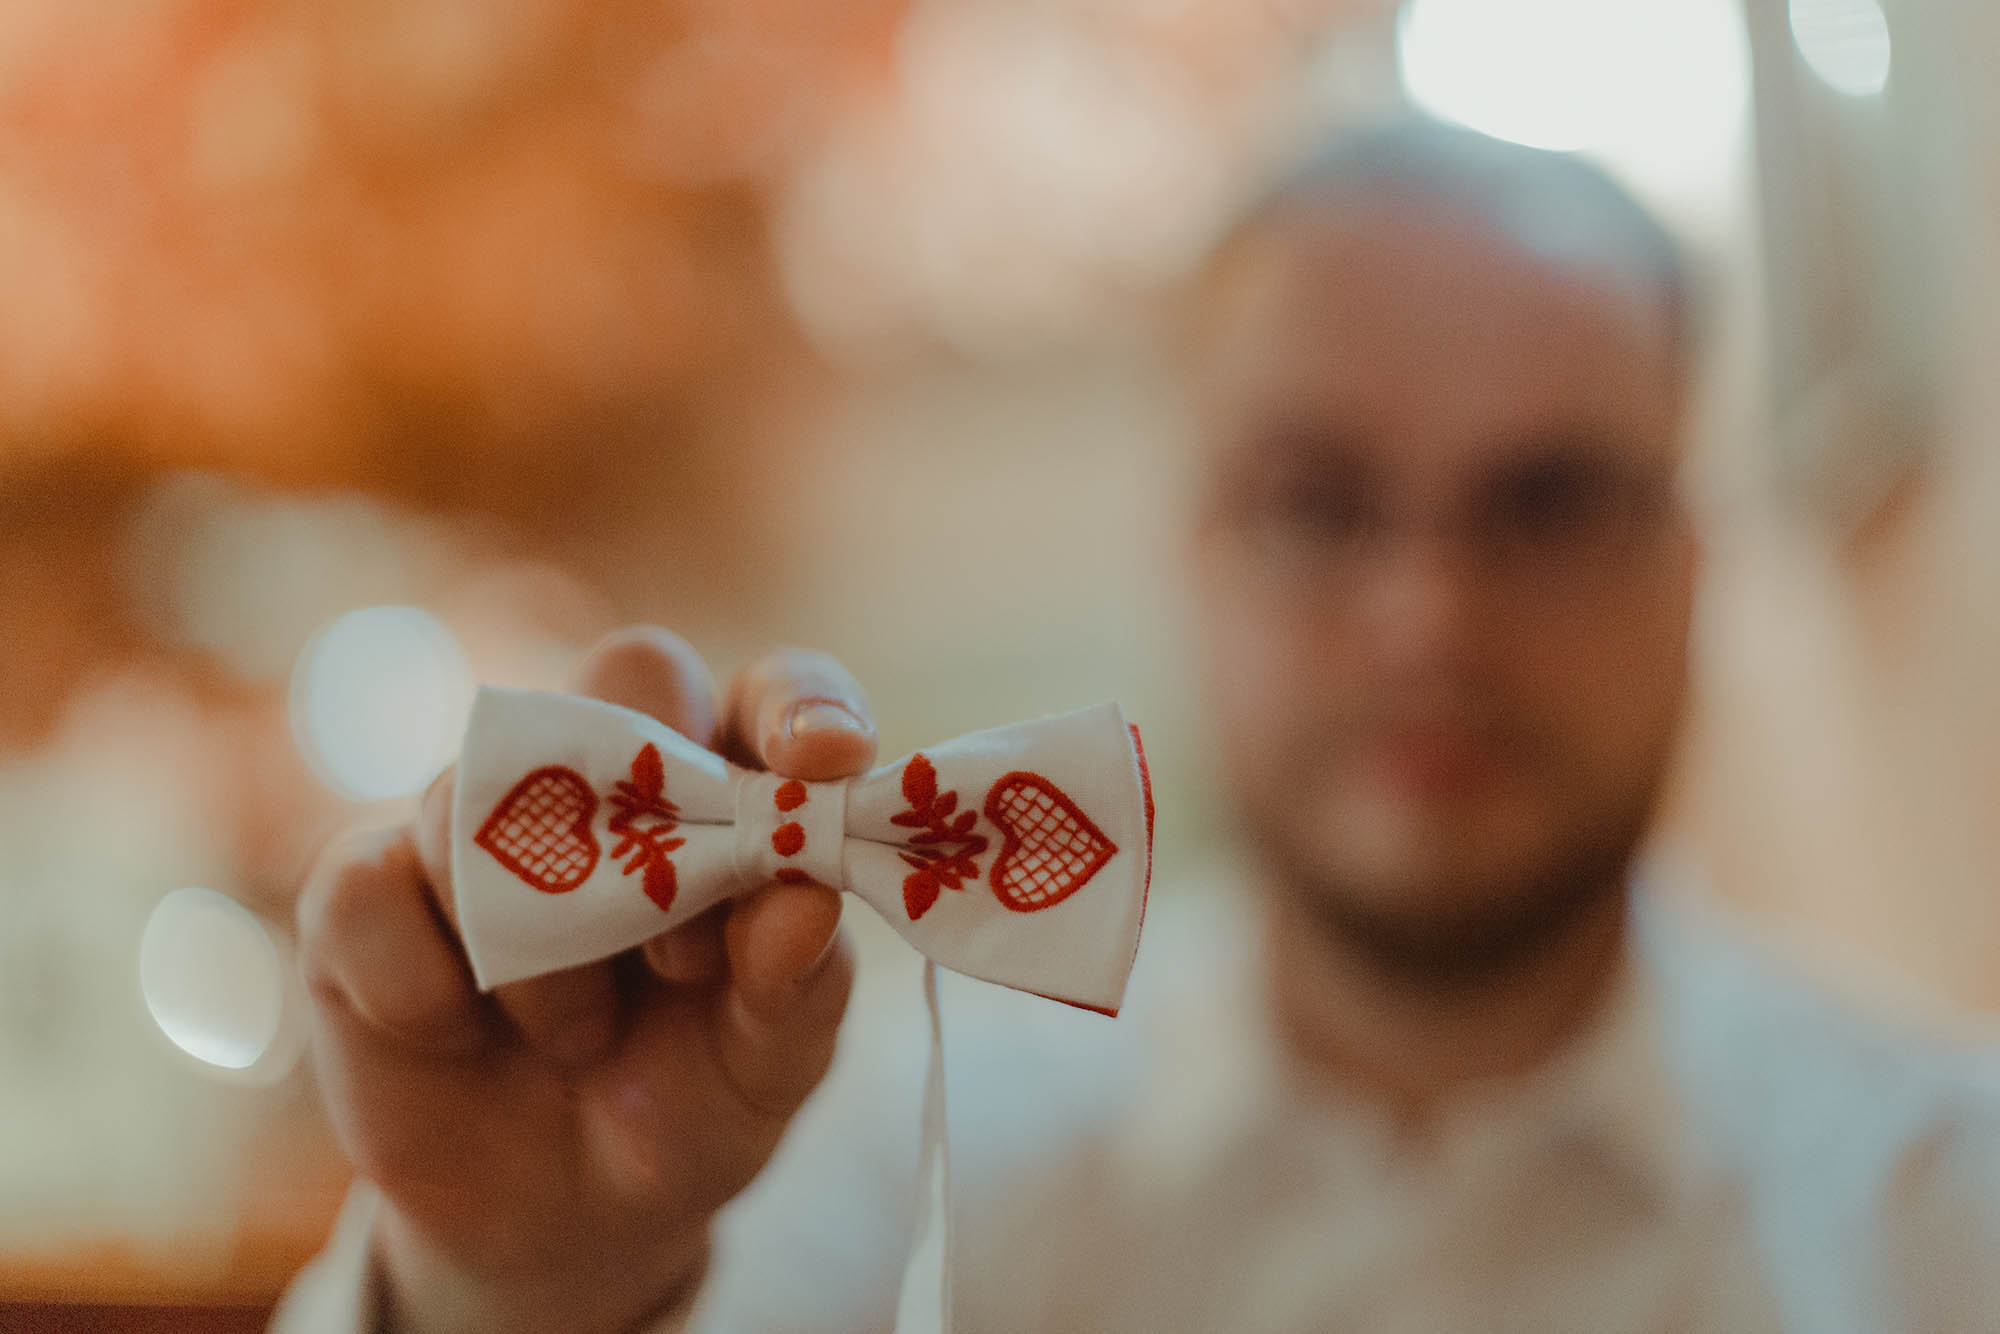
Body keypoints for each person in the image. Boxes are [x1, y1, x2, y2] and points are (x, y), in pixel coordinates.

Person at [273, 120, 2000, 1333]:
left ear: (1693, 567)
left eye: (1547, 504)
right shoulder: (873, 1140)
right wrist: (513, 1295)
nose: (1430, 615)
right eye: (1316, 500)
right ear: (1193, 556)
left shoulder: (1952, 1201)